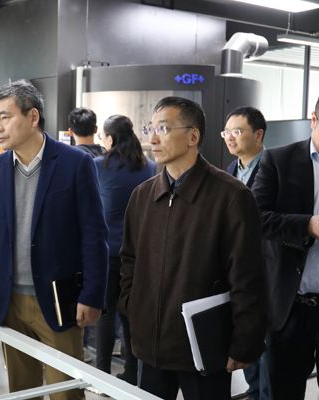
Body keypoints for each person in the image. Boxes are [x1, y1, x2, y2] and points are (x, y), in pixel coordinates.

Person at [118, 97, 267, 400]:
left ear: (193, 136)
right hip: (149, 344)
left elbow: (247, 276)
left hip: (204, 348)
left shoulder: (231, 197)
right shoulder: (142, 196)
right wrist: (131, 307)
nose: (153, 138)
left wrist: (244, 342)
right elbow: (130, 261)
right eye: (150, 129)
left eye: (163, 128)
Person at [0, 80, 108, 400]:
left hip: (60, 301)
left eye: (5, 117)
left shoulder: (75, 163)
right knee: (21, 391)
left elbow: (94, 234)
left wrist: (92, 296)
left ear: (33, 117)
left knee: (66, 392)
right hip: (9, 301)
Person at [251, 97, 319, 400]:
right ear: (314, 120)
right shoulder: (279, 160)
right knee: (282, 392)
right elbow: (255, 218)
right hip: (290, 306)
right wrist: (308, 225)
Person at [94, 115, 156, 385]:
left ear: (110, 138)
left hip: (107, 251)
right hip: (138, 254)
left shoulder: (98, 165)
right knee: (131, 313)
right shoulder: (150, 166)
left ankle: (101, 374)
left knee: (105, 314)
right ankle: (132, 374)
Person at [222, 106, 268, 400]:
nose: (230, 137)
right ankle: (253, 390)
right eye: (226, 132)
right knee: (244, 331)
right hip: (236, 265)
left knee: (264, 338)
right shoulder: (230, 170)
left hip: (265, 266)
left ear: (258, 134)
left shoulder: (275, 167)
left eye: (237, 132)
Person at [68, 106, 104, 363]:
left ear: (71, 131)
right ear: (96, 130)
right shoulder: (109, 158)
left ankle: (82, 348)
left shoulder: (71, 161)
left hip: (76, 244)